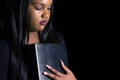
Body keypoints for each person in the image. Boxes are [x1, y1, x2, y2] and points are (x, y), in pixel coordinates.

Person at [0, 0, 77, 80]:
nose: (46, 15)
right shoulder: (4, 47)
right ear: (21, 7)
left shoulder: (56, 39)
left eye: (49, 8)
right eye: (39, 8)